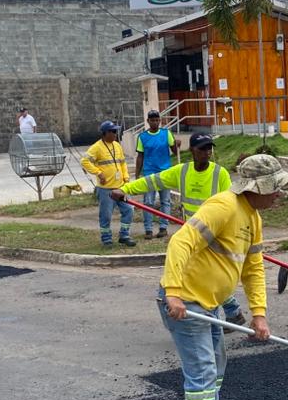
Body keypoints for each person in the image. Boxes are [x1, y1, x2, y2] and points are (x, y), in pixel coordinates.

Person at [159, 154, 288, 400]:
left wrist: (259, 315)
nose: (279, 193)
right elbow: (180, 242)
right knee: (203, 377)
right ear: (255, 187)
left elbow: (253, 268)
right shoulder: (224, 207)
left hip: (211, 306)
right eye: (274, 187)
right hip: (186, 304)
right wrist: (173, 291)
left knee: (215, 373)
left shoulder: (253, 216)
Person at [112, 133, 246, 324]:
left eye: (210, 148)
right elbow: (152, 181)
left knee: (204, 277)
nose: (207, 153)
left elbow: (233, 204)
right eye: (202, 149)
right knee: (201, 276)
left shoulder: (220, 174)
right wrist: (125, 189)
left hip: (215, 235)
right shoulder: (182, 172)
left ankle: (225, 314)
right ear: (192, 150)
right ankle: (231, 314)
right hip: (192, 235)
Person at [81, 120, 135, 248]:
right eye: (113, 131)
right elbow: (84, 161)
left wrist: (126, 178)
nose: (116, 134)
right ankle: (106, 239)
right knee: (106, 215)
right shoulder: (97, 147)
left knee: (129, 210)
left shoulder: (117, 145)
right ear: (105, 133)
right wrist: (98, 173)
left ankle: (124, 235)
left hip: (120, 187)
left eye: (116, 131)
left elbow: (122, 163)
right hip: (106, 189)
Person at [134, 109, 179, 239]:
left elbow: (175, 150)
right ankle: (148, 230)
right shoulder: (142, 137)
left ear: (160, 120)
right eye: (152, 120)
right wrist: (137, 175)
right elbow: (140, 156)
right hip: (149, 173)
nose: (155, 122)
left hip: (165, 173)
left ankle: (163, 228)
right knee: (148, 202)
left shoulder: (166, 134)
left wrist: (177, 145)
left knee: (165, 201)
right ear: (148, 121)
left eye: (157, 120)